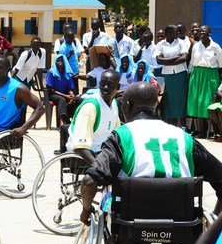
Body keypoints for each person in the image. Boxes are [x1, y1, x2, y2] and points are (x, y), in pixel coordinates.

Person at [79, 82, 222, 227]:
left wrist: (86, 209)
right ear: (156, 105)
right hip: (182, 227)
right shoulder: (184, 137)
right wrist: (215, 215)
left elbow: (88, 182)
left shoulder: (123, 136)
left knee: (108, 198)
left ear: (127, 105)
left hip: (130, 228)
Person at [66, 70, 121, 164]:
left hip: (103, 152)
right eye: (102, 84)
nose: (105, 88)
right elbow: (80, 146)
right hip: (85, 154)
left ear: (118, 87)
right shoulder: (91, 106)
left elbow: (117, 133)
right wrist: (99, 168)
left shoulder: (114, 104)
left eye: (110, 85)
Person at [187, 25, 222, 138]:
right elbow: (192, 62)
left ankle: (213, 131)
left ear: (209, 33)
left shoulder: (216, 47)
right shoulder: (196, 46)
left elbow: (220, 65)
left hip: (210, 75)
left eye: (203, 31)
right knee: (198, 102)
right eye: (200, 31)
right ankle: (201, 132)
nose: (201, 33)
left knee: (208, 102)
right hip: (197, 75)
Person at [154, 24, 189, 127]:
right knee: (170, 99)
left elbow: (184, 57)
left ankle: (182, 125)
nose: (178, 33)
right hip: (168, 75)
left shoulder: (181, 43)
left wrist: (167, 61)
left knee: (181, 98)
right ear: (169, 33)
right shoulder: (161, 44)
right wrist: (175, 58)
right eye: (175, 31)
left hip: (180, 73)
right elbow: (158, 60)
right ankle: (171, 124)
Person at [46, 54, 76, 126]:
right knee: (62, 99)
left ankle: (70, 121)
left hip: (64, 93)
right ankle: (61, 124)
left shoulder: (67, 72)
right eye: (57, 61)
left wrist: (71, 94)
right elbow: (51, 89)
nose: (59, 62)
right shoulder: (51, 72)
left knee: (75, 99)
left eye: (61, 60)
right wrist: (66, 96)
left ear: (64, 62)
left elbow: (70, 87)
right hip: (53, 94)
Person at [58, 29, 83, 93]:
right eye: (69, 37)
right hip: (68, 73)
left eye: (72, 37)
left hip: (75, 72)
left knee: (76, 91)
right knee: (70, 91)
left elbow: (77, 54)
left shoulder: (72, 44)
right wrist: (69, 55)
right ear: (65, 37)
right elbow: (61, 61)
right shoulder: (63, 47)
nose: (71, 38)